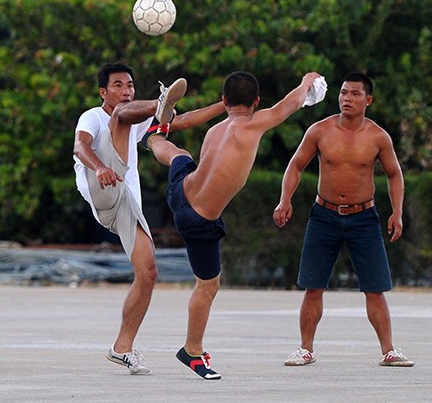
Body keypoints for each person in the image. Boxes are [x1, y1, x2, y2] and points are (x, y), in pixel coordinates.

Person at [145, 71, 323, 379]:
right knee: (208, 286)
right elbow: (291, 104)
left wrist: (171, 121)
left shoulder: (215, 130)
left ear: (225, 100)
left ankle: (154, 136)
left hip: (180, 192)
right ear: (256, 102)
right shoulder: (253, 123)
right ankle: (192, 350)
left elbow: (187, 125)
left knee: (179, 154)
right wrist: (307, 82)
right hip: (198, 220)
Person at [73, 62, 227, 375]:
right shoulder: (93, 115)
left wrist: (223, 106)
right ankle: (159, 103)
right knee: (122, 116)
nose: (126, 90)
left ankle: (122, 348)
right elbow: (80, 146)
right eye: (118, 85)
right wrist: (100, 168)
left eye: (129, 85)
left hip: (125, 203)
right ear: (103, 92)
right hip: (100, 188)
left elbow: (180, 122)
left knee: (148, 272)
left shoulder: (133, 117)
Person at [273, 72, 415, 367]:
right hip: (323, 216)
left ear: (368, 100)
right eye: (343, 93)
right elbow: (296, 165)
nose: (347, 99)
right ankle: (305, 349)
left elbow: (394, 175)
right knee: (313, 285)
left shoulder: (378, 136)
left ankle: (389, 350)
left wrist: (397, 212)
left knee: (375, 287)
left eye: (355, 94)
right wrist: (284, 199)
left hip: (364, 218)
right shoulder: (320, 130)